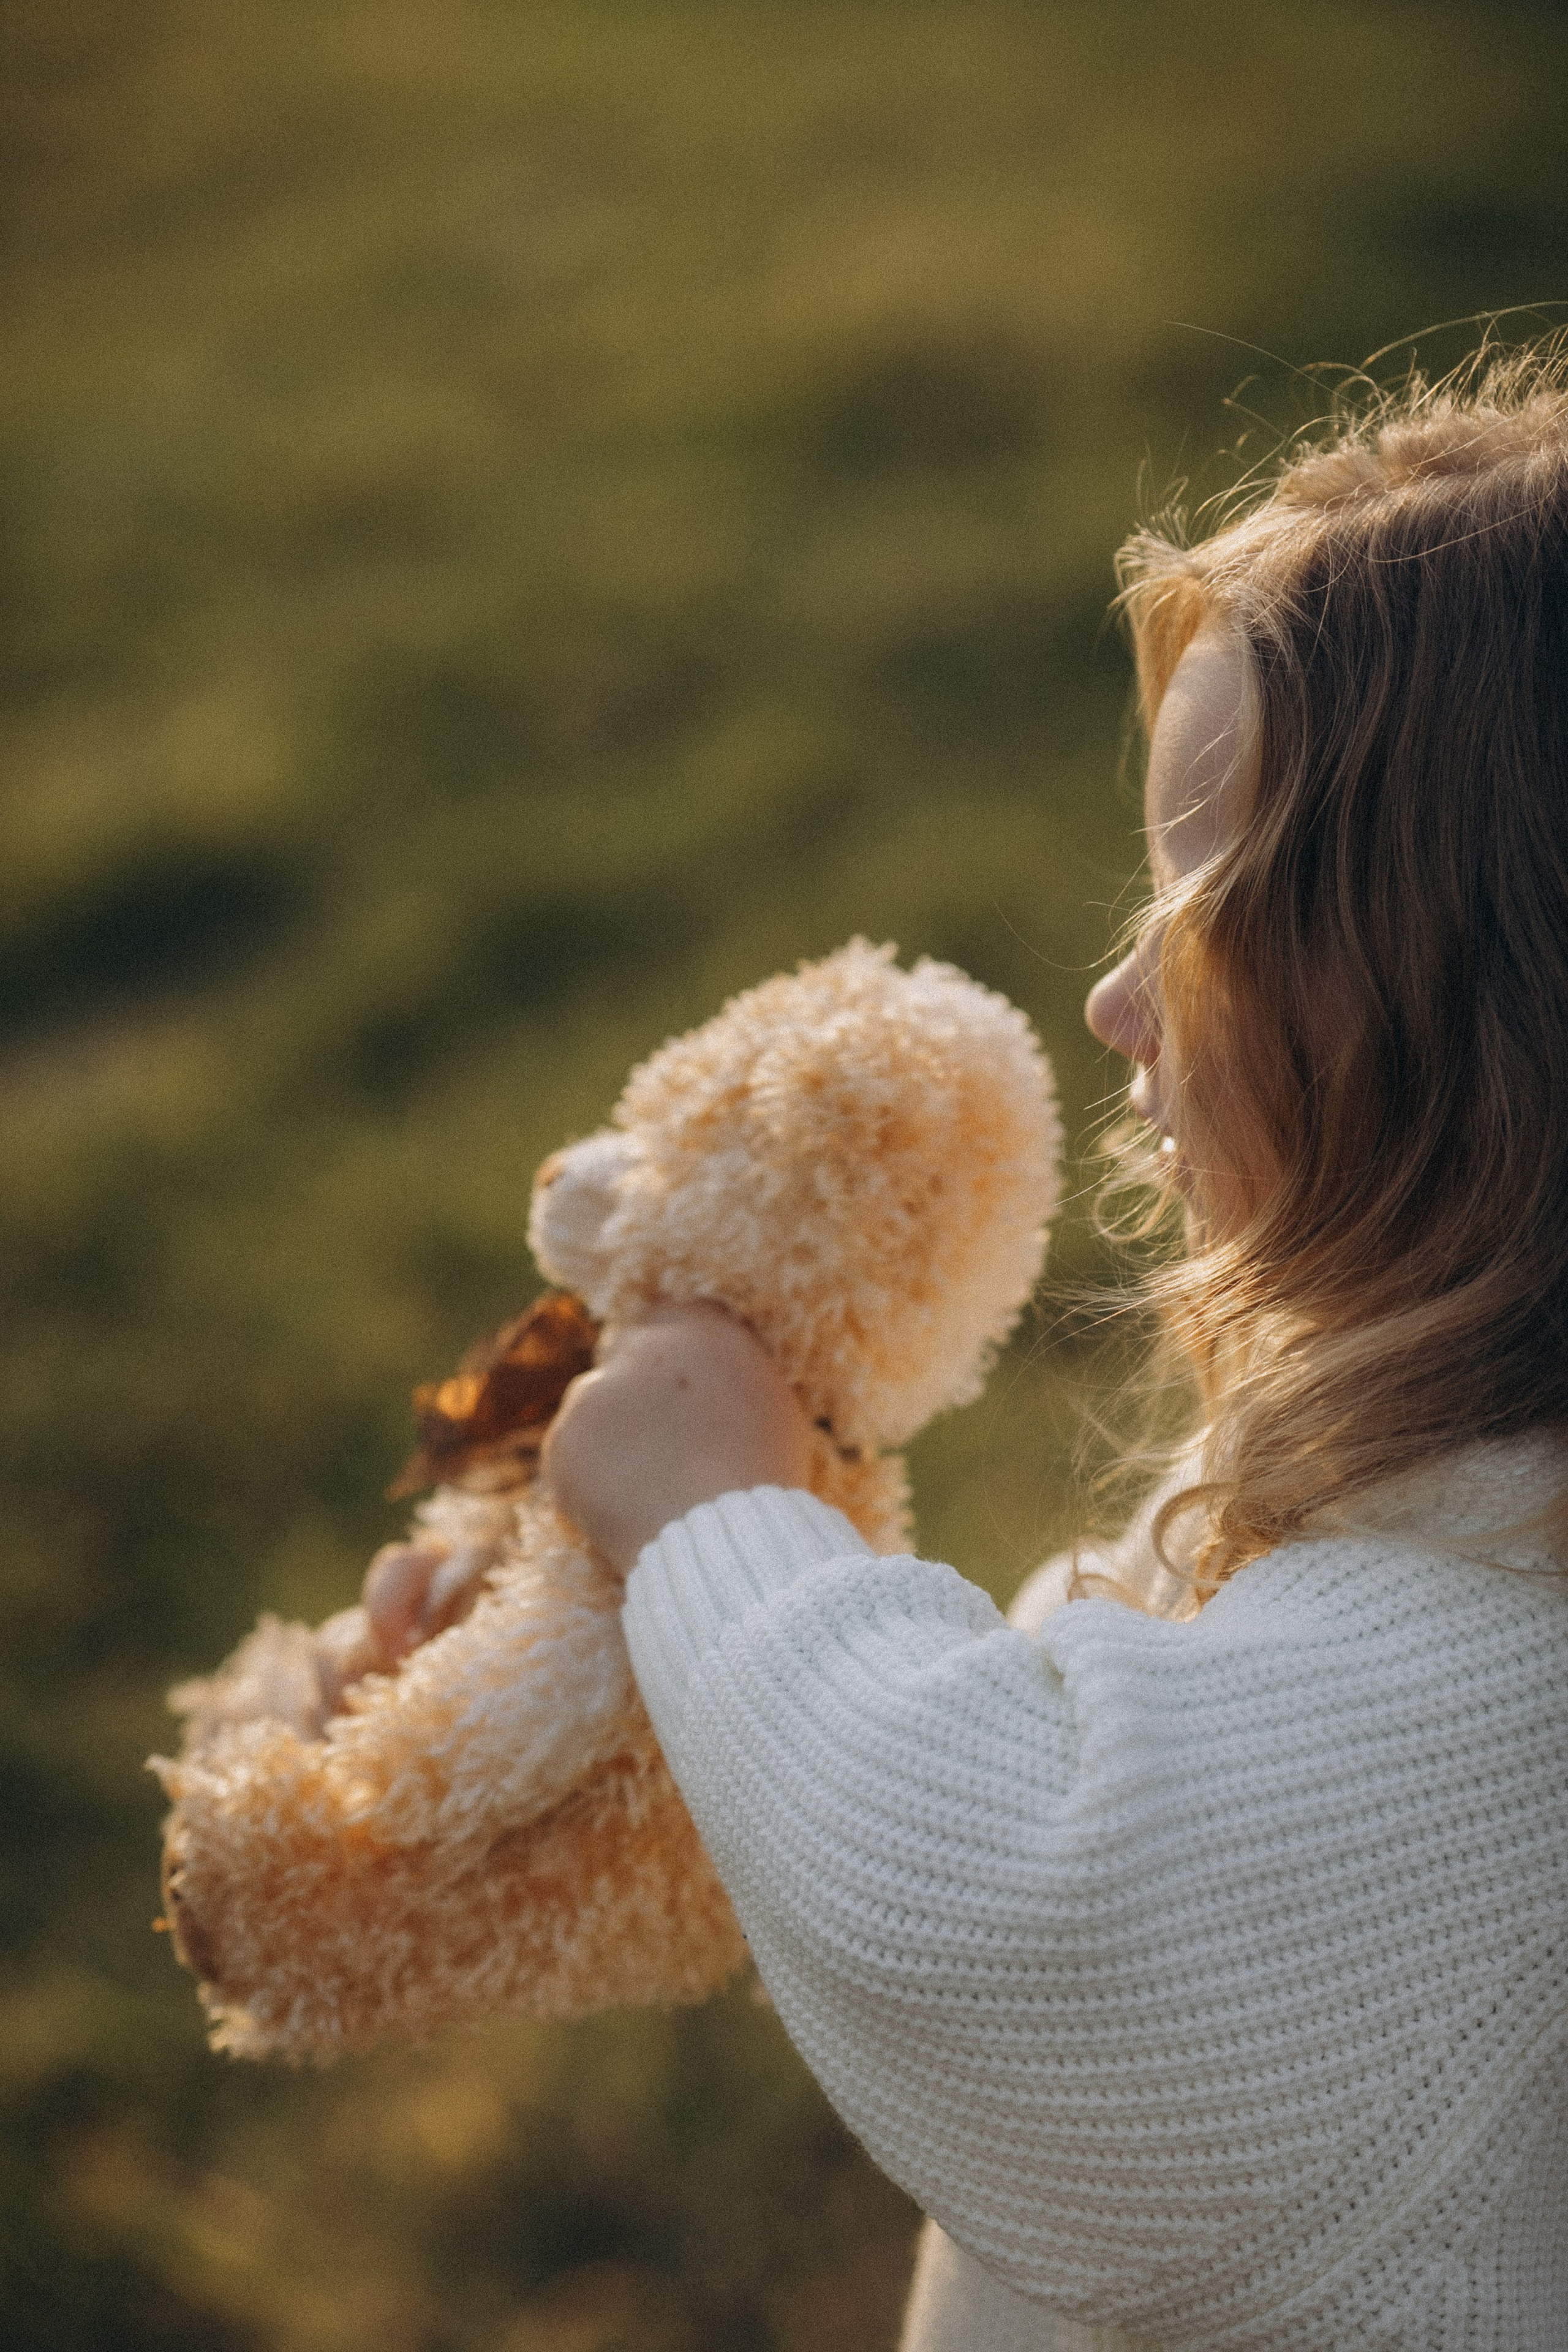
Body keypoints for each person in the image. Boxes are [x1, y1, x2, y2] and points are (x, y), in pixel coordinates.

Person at [370, 351, 1568, 2349]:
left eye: (1200, 916)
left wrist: (720, 1530)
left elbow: (1022, 1915)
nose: (1115, 1001)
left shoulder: (1505, 1692)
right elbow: (1125, 1758)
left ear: (1481, 1008)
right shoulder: (1480, 1527)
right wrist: (675, 1693)